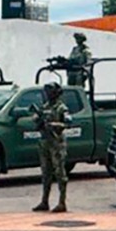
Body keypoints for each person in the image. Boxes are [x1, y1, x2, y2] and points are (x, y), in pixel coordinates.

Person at [32, 83, 71, 214]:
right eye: (46, 91)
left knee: (60, 173)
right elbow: (35, 121)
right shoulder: (44, 107)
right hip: (45, 142)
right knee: (45, 173)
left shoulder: (61, 108)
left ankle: (62, 202)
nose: (47, 94)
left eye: (50, 91)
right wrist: (38, 120)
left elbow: (68, 122)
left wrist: (53, 125)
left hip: (56, 143)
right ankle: (44, 201)